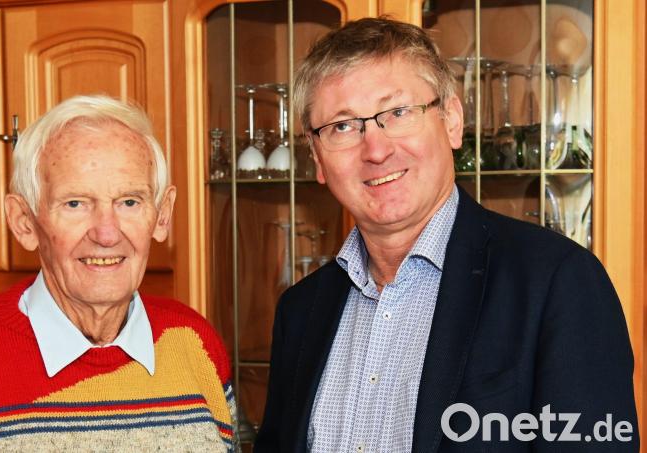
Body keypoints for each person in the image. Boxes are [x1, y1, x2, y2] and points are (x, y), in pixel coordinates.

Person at [254, 17, 638, 452]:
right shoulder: (300, 313)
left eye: (397, 113)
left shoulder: (557, 284)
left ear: (452, 120)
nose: (376, 149)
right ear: (317, 157)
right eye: (343, 126)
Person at [0, 95, 237, 452]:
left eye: (129, 202)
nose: (106, 233)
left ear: (162, 215)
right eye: (75, 203)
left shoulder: (194, 343)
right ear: (24, 223)